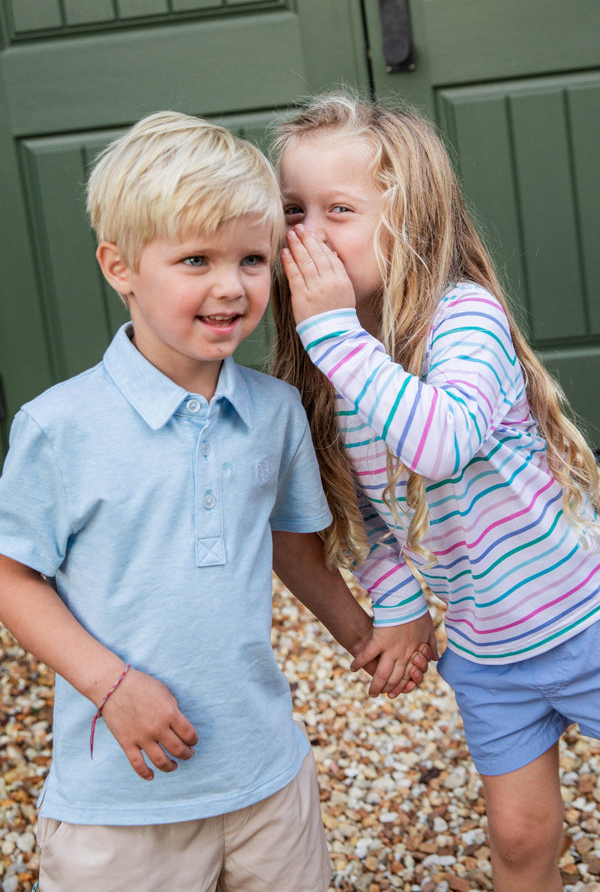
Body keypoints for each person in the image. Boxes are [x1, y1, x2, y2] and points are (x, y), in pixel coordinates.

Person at [0, 111, 431, 892]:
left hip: (266, 779)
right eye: (195, 259)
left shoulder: (274, 411)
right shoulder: (58, 427)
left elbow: (292, 545)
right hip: (121, 800)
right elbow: (12, 578)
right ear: (119, 265)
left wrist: (367, 632)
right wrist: (113, 686)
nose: (230, 286)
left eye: (253, 259)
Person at [270, 91, 600, 892]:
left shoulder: (464, 319)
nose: (306, 234)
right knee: (519, 840)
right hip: (491, 656)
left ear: (408, 218)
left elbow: (440, 442)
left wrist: (332, 335)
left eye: (337, 209)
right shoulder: (340, 363)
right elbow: (371, 520)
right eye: (292, 210)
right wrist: (398, 600)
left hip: (585, 616)